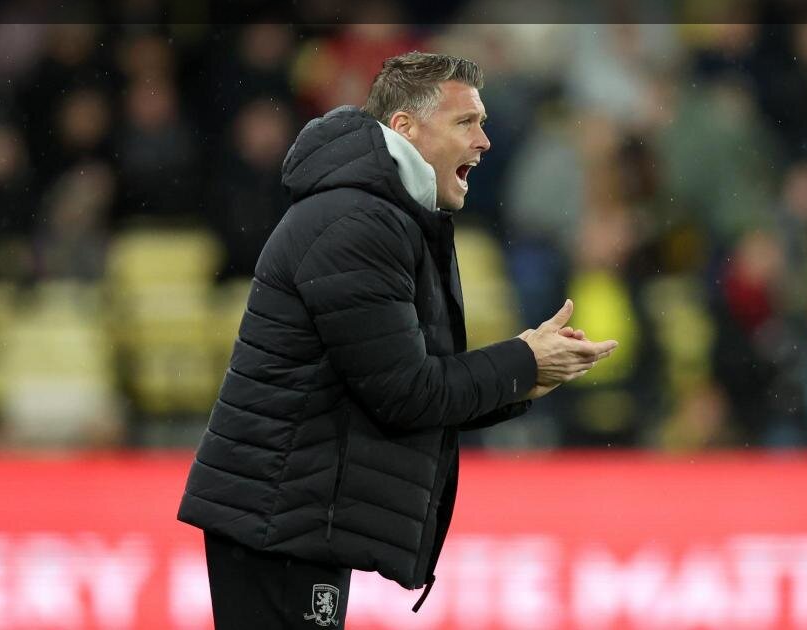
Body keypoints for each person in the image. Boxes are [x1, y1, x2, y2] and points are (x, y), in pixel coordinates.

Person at [176, 51, 618, 629]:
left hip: (292, 516)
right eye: (465, 122)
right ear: (405, 127)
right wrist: (522, 362)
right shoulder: (358, 222)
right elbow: (406, 393)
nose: (484, 141)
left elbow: (413, 385)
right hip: (279, 521)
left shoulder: (384, 214)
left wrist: (527, 373)